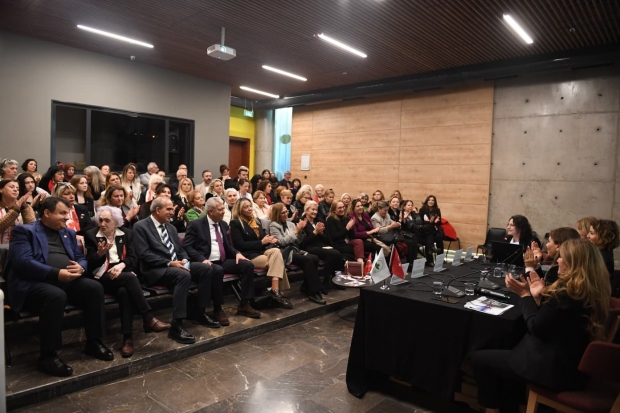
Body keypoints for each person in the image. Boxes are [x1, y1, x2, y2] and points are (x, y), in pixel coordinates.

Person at [470, 239, 612, 413]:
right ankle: (515, 406)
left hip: (553, 370)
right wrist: (538, 298)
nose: (558, 261)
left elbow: (536, 327)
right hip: (573, 362)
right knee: (509, 352)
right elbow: (556, 320)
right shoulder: (589, 288)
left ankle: (494, 409)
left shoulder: (566, 292)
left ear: (573, 263)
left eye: (562, 258)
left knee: (478, 358)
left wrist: (525, 295)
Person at [6, 197, 113, 376]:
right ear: (47, 213)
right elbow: (23, 262)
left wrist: (81, 267)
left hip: (65, 280)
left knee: (93, 288)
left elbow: (80, 258)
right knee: (55, 295)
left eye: (68, 213)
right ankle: (48, 355)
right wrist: (56, 273)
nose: (67, 217)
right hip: (34, 284)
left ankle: (94, 342)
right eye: (62, 213)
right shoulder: (24, 231)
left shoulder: (68, 233)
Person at [84, 206, 169, 357]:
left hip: (121, 276)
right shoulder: (91, 235)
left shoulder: (127, 233)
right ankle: (148, 318)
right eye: (100, 220)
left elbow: (134, 258)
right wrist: (100, 254)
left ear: (116, 222)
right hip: (101, 277)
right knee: (130, 278)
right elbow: (90, 264)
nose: (102, 224)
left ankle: (127, 338)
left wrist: (121, 266)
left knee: (124, 292)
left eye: (107, 221)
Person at [134, 197, 220, 343]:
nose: (172, 212)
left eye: (172, 209)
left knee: (206, 269)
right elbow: (144, 254)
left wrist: (185, 259)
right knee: (183, 275)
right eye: (168, 209)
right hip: (156, 269)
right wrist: (169, 263)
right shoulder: (140, 226)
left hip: (177, 265)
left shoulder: (171, 228)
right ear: (157, 210)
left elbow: (180, 249)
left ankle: (200, 312)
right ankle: (177, 325)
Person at [184, 197, 261, 322]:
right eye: (220, 210)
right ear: (211, 212)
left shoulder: (223, 224)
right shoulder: (196, 225)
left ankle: (245, 304)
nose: (224, 211)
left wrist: (237, 253)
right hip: (207, 262)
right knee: (217, 270)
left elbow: (227, 246)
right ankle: (218, 308)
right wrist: (201, 259)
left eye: (223, 209)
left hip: (223, 260)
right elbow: (187, 246)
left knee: (247, 265)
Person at [230, 198, 292, 309]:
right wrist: (261, 242)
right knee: (277, 260)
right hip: (248, 255)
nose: (250, 208)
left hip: (260, 251)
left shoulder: (256, 221)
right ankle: (276, 291)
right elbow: (240, 245)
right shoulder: (236, 223)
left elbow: (262, 240)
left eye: (250, 206)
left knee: (276, 251)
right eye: (246, 207)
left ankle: (275, 290)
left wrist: (268, 240)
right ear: (239, 210)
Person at [269, 203, 325, 305]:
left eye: (286, 211)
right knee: (307, 260)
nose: (286, 214)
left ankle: (306, 286)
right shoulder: (273, 225)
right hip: (284, 252)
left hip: (295, 249)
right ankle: (314, 292)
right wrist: (295, 231)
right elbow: (281, 242)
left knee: (315, 258)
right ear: (277, 214)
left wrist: (300, 231)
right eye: (283, 213)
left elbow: (298, 242)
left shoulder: (290, 224)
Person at [300, 201, 344, 294]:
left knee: (337, 253)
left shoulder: (319, 220)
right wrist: (315, 232)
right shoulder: (301, 221)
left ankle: (335, 279)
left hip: (321, 246)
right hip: (309, 247)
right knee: (333, 253)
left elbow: (327, 239)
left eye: (316, 210)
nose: (315, 212)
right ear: (306, 210)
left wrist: (321, 233)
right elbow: (303, 242)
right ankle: (325, 281)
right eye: (312, 209)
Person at [371, 201, 416, 273]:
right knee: (398, 245)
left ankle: (410, 265)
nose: (386, 212)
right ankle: (395, 269)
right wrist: (391, 226)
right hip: (380, 238)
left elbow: (392, 222)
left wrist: (397, 223)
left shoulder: (387, 215)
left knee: (410, 242)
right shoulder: (374, 218)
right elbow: (379, 231)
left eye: (387, 210)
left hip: (390, 236)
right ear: (379, 209)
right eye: (385, 210)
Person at [587, 219, 620, 294]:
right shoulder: (601, 252)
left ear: (604, 237)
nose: (587, 235)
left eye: (591, 233)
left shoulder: (602, 257)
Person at [0, 179, 36, 244]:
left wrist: (24, 208)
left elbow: (32, 227)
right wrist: (15, 210)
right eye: (12, 187)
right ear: (1, 189)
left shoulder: (25, 206)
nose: (15, 190)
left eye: (17, 188)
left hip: (19, 245)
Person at [420, 195, 445, 264]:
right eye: (429, 200)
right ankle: (429, 260)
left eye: (432, 200)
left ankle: (440, 258)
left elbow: (439, 222)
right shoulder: (422, 210)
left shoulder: (437, 210)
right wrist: (431, 222)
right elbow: (421, 222)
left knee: (439, 237)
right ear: (427, 201)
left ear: (434, 202)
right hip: (426, 230)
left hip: (434, 229)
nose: (431, 201)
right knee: (429, 237)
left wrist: (436, 222)